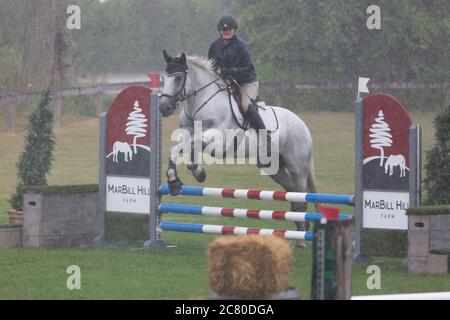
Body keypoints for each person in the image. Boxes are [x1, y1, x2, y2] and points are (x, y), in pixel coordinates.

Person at [208, 14, 269, 153]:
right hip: (225, 82)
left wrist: (231, 71)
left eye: (229, 29)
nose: (227, 31)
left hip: (246, 82)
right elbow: (211, 67)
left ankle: (266, 138)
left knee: (245, 105)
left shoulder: (242, 46)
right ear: (219, 31)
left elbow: (247, 68)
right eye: (224, 30)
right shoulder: (214, 46)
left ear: (234, 30)